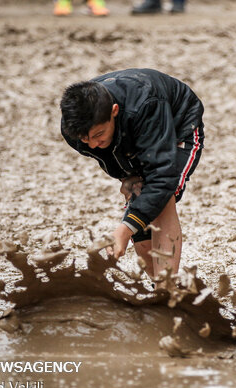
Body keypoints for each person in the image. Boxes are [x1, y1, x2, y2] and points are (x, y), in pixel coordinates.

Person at [59, 69, 204, 278]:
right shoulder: (73, 130)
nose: (93, 144)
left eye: (98, 134)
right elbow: (107, 154)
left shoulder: (144, 104)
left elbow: (162, 179)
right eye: (85, 139)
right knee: (139, 197)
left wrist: (125, 229)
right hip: (132, 137)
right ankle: (160, 290)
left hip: (177, 125)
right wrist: (129, 181)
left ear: (114, 111)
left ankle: (167, 291)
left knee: (163, 199)